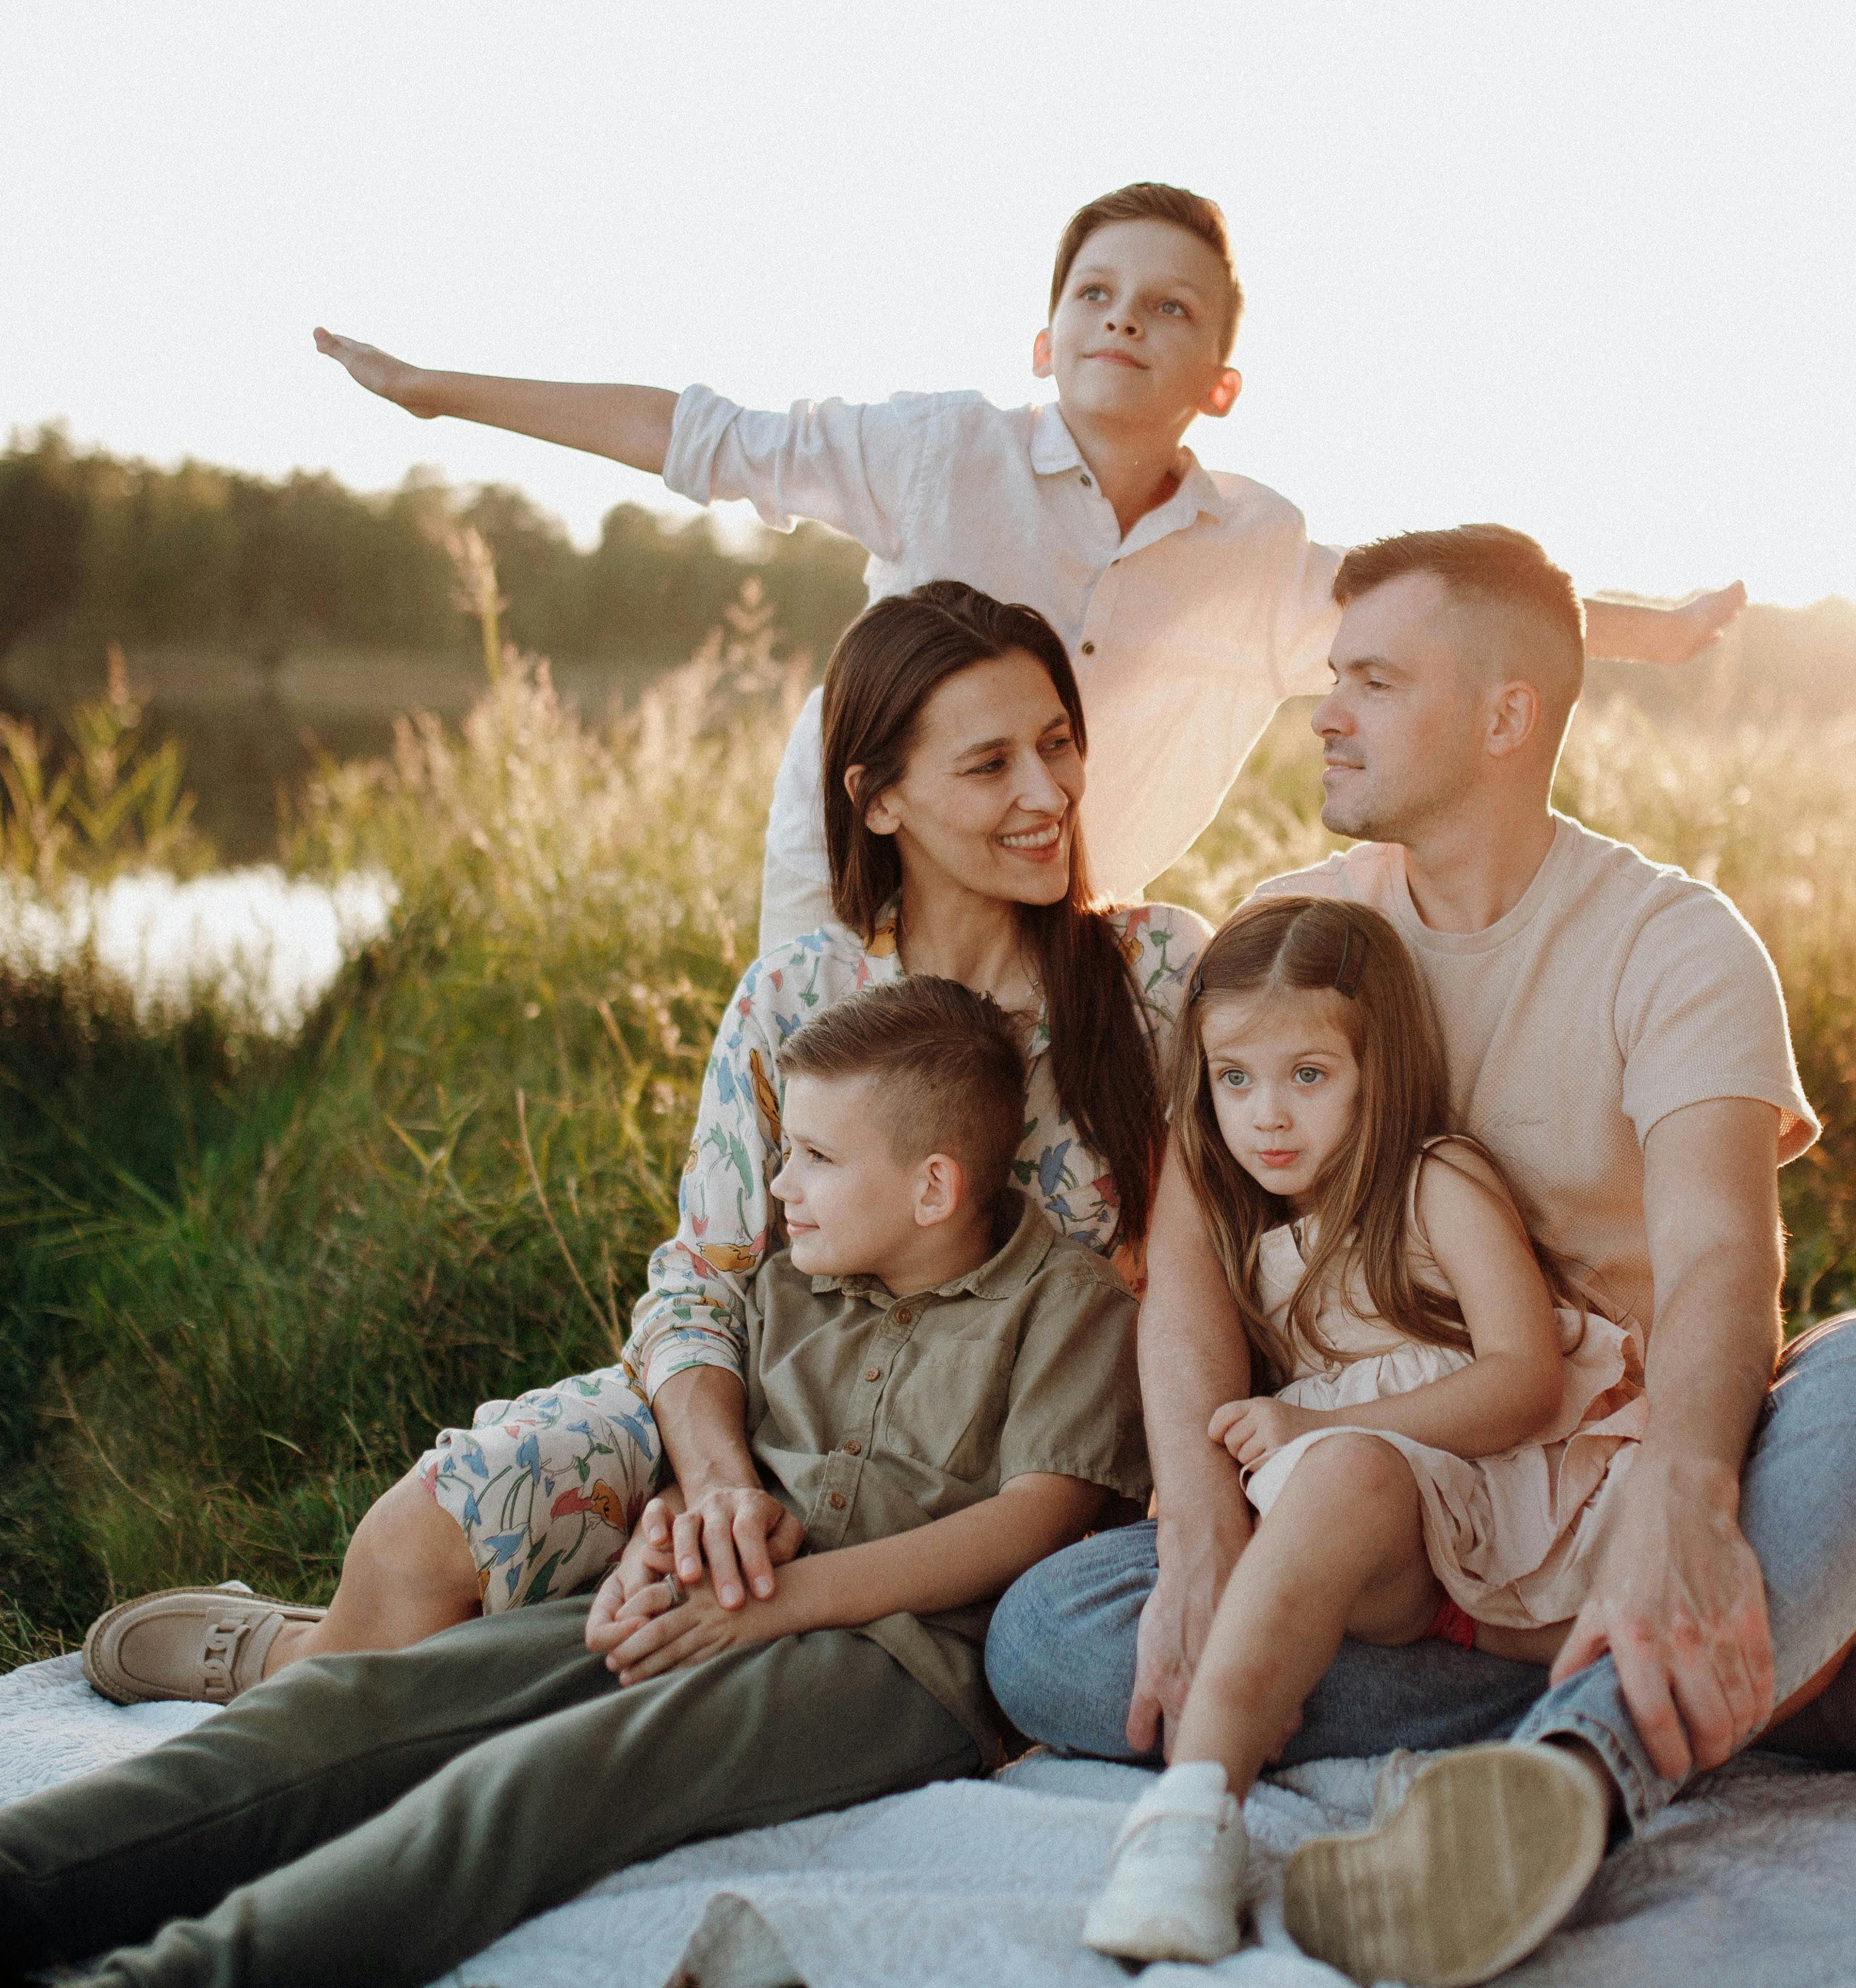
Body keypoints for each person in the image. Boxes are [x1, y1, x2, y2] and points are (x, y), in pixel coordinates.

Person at [0, 976, 1155, 1988]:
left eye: (810, 1157)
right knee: (351, 1711)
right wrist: (688, 1523)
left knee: (517, 1792)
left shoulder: (1067, 1302)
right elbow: (717, 1441)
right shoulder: (796, 1286)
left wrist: (783, 1598)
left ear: (935, 1183)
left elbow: (1033, 1523)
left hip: (891, 1665)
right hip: (705, 1603)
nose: (779, 1186)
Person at [984, 525, 1856, 1988]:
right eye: (1333, 675)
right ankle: (1756, 1672)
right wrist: (1197, 1516)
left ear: (1507, 716)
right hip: (1393, 1496)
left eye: (1374, 680)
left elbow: (1722, 1263)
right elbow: (1190, 1262)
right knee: (1049, 1636)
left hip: (1614, 1455)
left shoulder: (1676, 943)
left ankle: (1578, 1771)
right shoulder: (1293, 936)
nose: (1324, 710)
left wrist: (1690, 1499)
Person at [74, 580, 1204, 1703]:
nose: (1047, 790)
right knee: (434, 1530)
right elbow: (700, 1283)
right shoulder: (797, 995)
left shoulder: (1158, 979)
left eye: (1058, 743)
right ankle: (299, 1657)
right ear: (877, 801)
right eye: (989, 762)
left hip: (1002, 1454)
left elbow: (1230, 1245)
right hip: (766, 1411)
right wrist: (714, 1482)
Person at [313, 180, 1748, 955]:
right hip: (858, 863)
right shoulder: (939, 451)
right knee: (834, 1131)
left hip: (1069, 909)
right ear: (1046, 339)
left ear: (1221, 379)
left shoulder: (1255, 551)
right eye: (1095, 295)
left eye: (1168, 306)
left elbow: (1454, 620)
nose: (1126, 319)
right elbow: (696, 434)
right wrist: (440, 388)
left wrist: (1659, 634)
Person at [1080, 896, 1643, 1965]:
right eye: (1234, 1078)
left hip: (1528, 1496)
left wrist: (1320, 1418)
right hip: (1410, 1570)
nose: (1267, 1116)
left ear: (1377, 1069)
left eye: (1309, 1074)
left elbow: (1522, 1379)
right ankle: (1188, 1820)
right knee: (1067, 1618)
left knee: (1341, 1472)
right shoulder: (1252, 1227)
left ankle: (1200, 1797)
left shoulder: (1436, 1179)